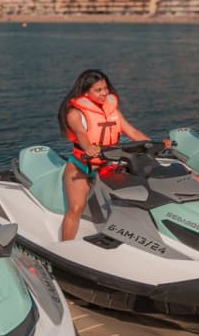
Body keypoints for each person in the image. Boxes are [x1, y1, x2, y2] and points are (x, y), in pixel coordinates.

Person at [58, 69, 159, 241]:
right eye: (98, 90)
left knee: (134, 199)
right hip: (80, 168)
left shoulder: (113, 112)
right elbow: (81, 135)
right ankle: (66, 248)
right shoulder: (74, 114)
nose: (104, 93)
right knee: (76, 208)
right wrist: (89, 147)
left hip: (107, 167)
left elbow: (133, 132)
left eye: (105, 88)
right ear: (85, 92)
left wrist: (155, 144)